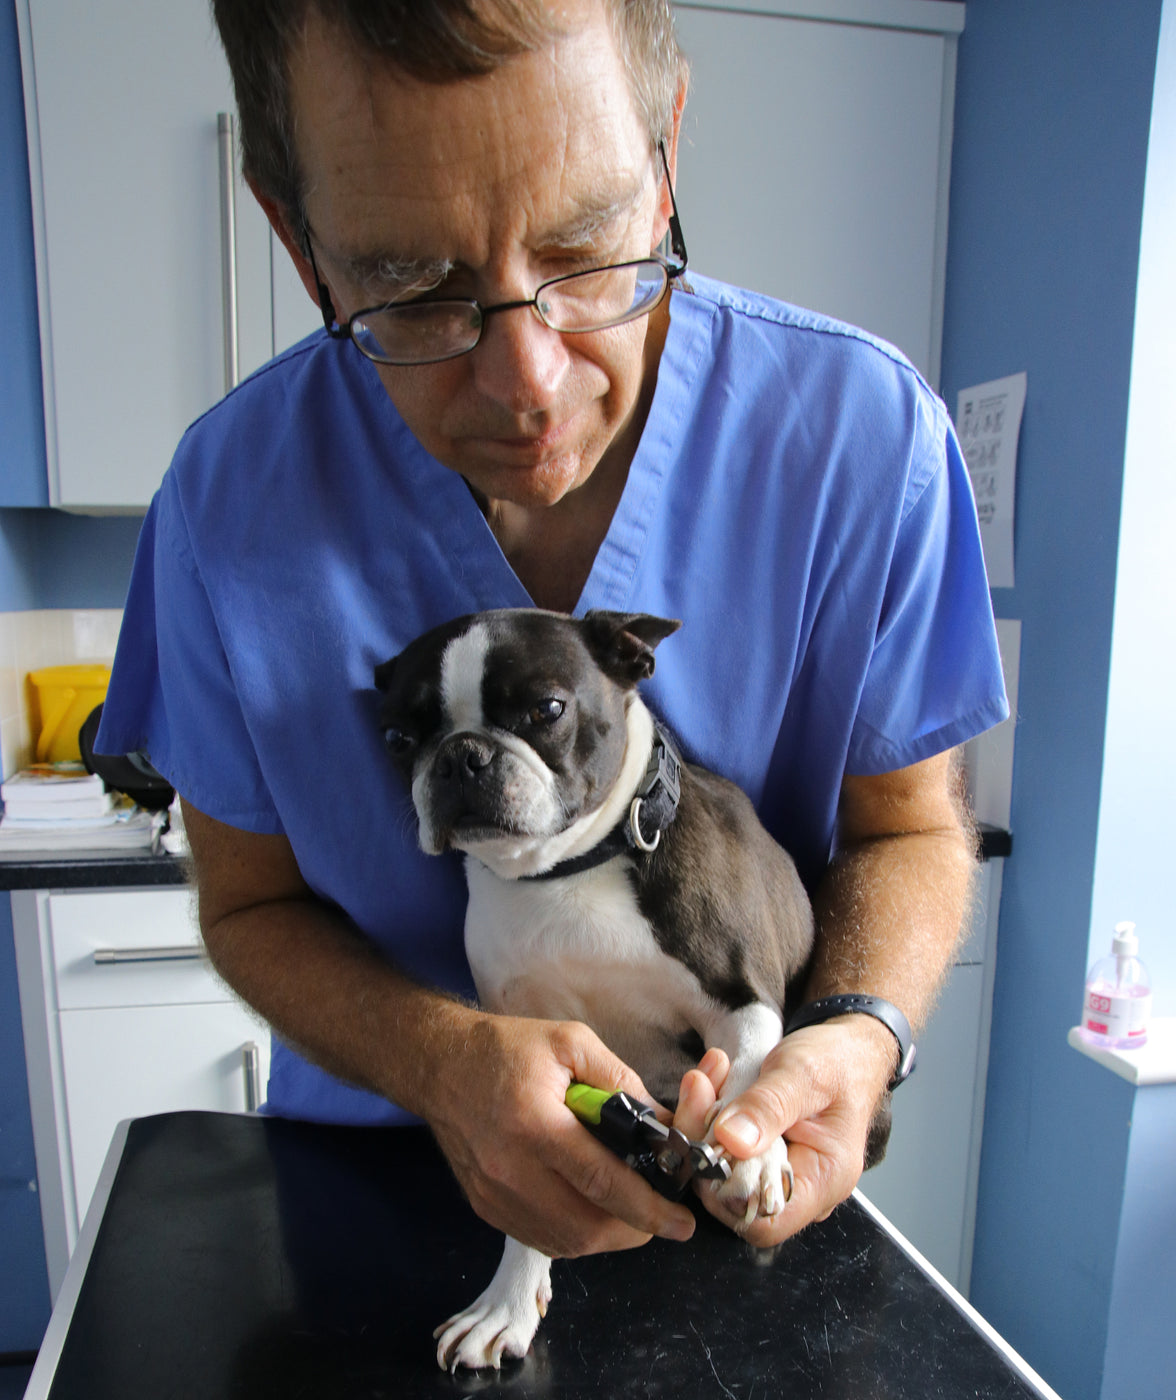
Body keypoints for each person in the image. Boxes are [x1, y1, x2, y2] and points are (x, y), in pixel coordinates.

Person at [97, 0, 1007, 1259]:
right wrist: (440, 1059)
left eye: (588, 246)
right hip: (374, 1178)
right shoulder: (226, 504)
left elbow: (912, 826)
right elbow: (247, 908)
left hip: (736, 1167)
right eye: (415, 289)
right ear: (298, 243)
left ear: (668, 147)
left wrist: (857, 1026)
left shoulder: (864, 439)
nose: (531, 380)